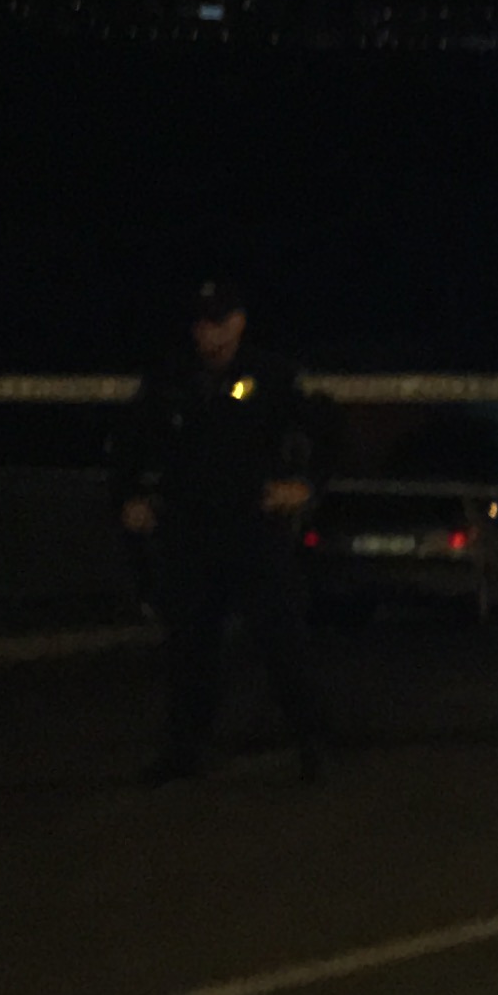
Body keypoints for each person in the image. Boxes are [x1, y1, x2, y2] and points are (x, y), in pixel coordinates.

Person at [114, 279, 338, 781]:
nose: (208, 335)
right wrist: (130, 496)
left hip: (253, 528)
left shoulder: (272, 375)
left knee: (282, 641)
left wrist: (304, 486)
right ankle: (185, 748)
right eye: (200, 324)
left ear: (238, 323)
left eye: (218, 322)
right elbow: (129, 442)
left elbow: (325, 433)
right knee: (189, 646)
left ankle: (312, 741)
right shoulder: (170, 378)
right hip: (188, 530)